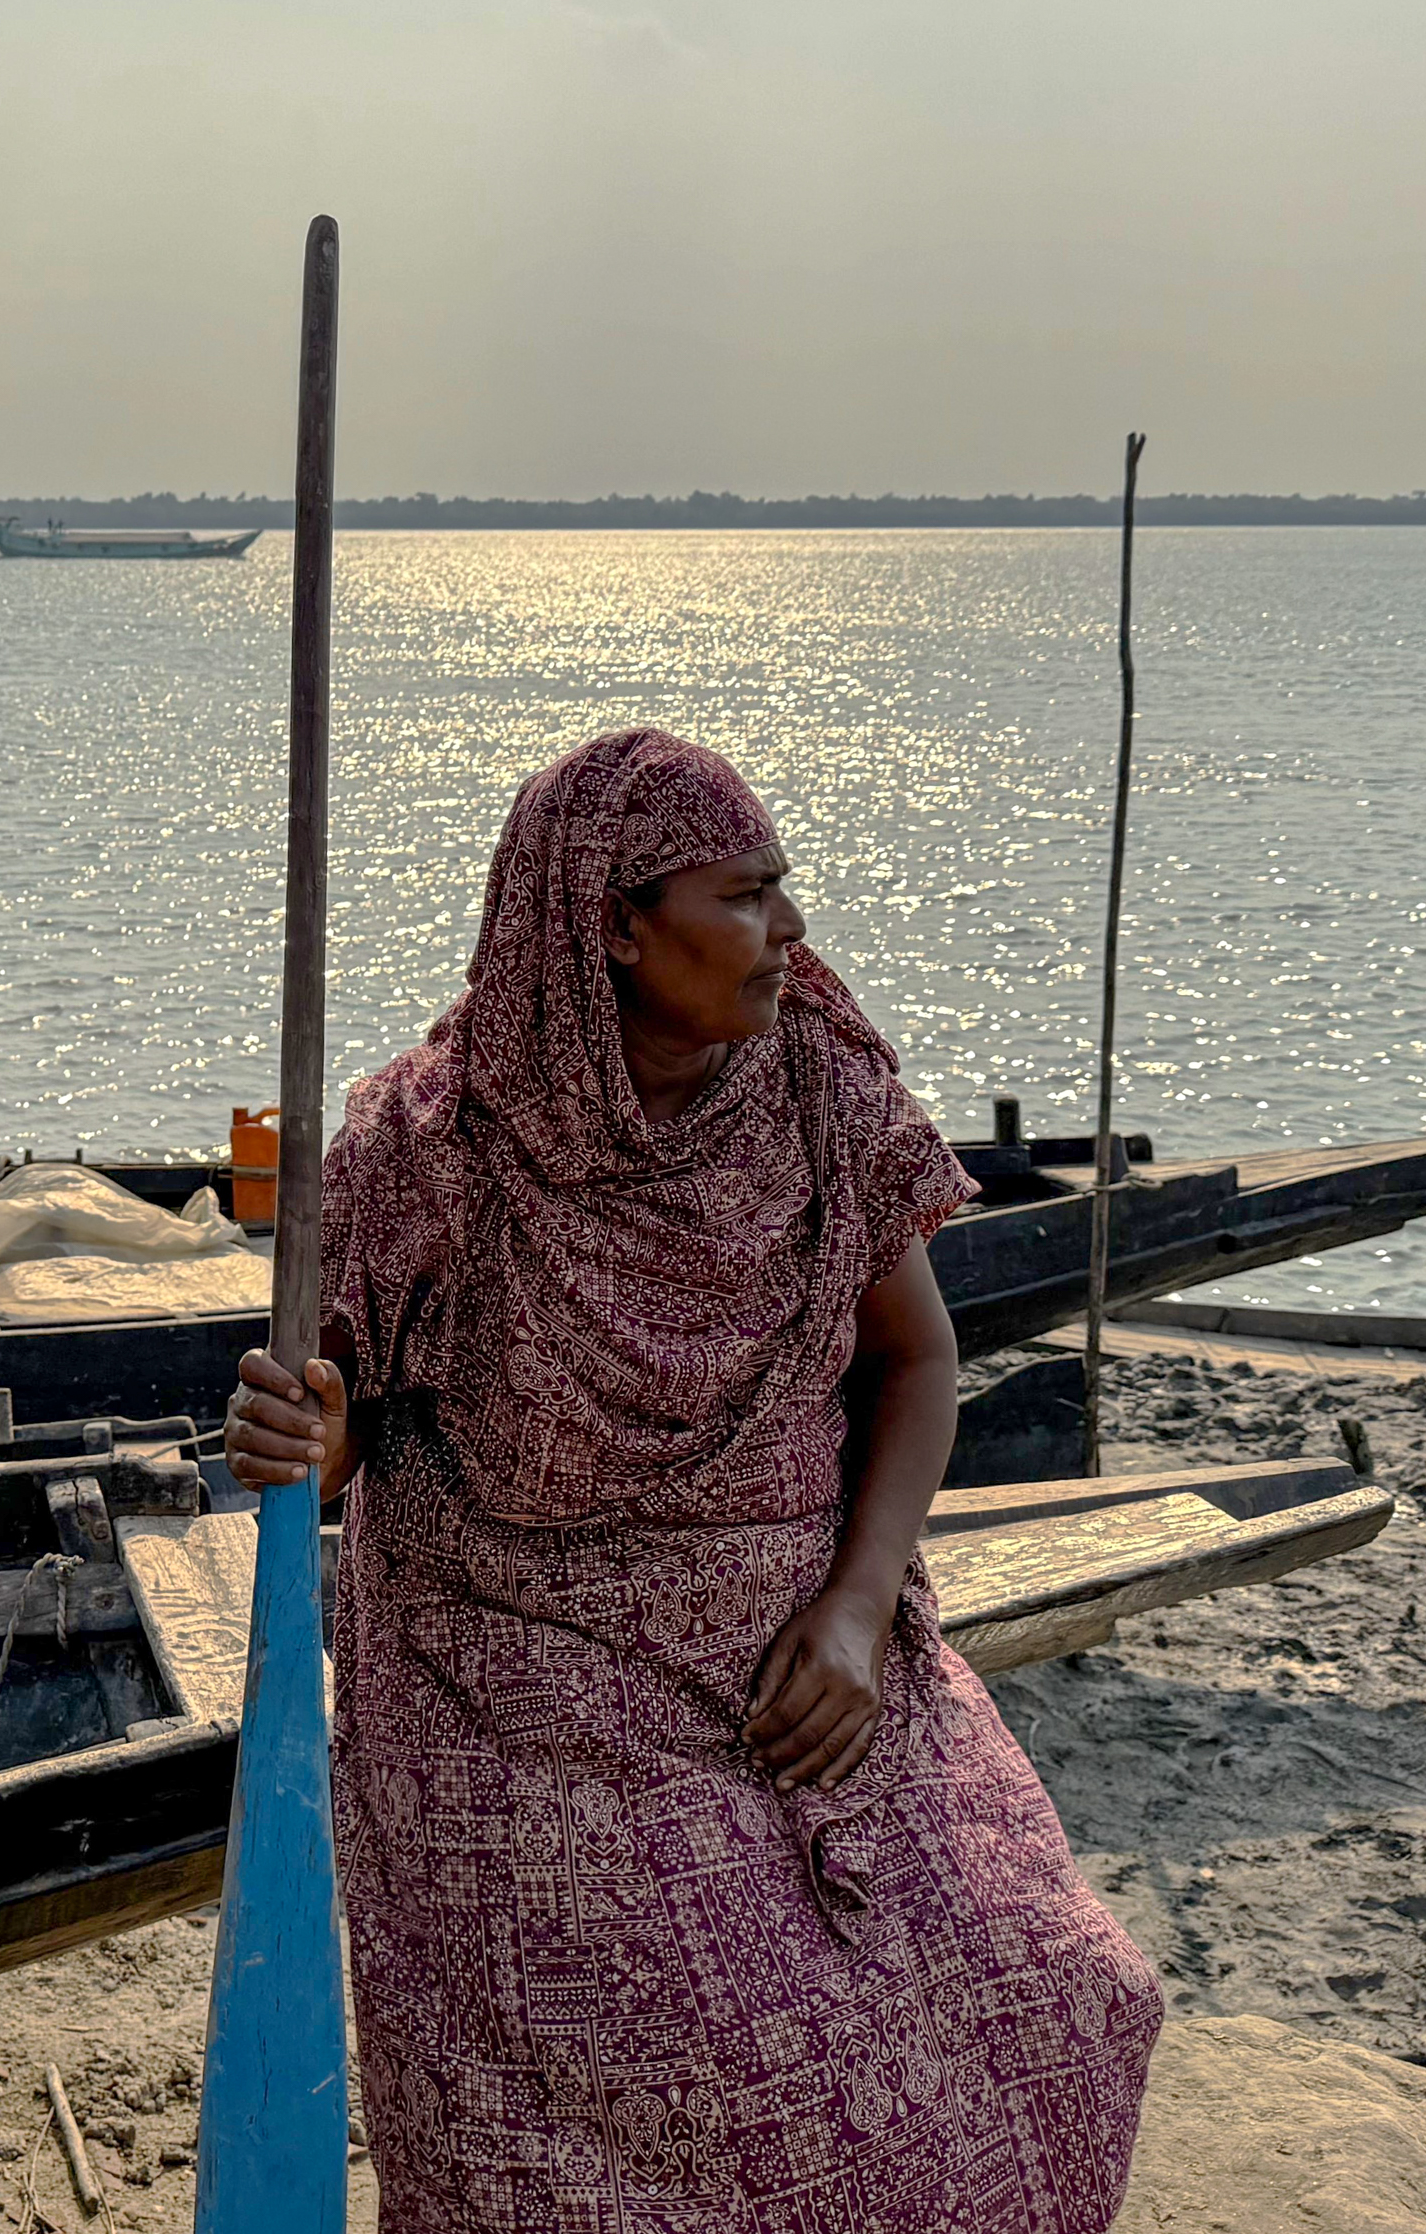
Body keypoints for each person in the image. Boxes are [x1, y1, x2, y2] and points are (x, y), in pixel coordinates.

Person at [225, 728, 1161, 2232]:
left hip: (811, 1658)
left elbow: (918, 1364)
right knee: (721, 2087)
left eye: (787, 887)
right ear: (612, 921)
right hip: (522, 1688)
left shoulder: (821, 1095)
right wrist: (303, 1430)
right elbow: (350, 1423)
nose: (792, 929)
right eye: (748, 894)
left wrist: (859, 1615)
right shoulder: (432, 1145)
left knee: (1063, 2003)